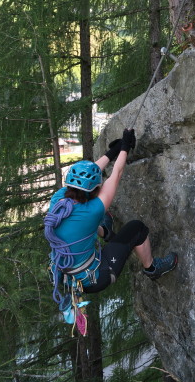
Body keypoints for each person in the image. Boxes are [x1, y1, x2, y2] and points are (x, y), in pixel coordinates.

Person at [44, 129, 177, 326]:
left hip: (66, 275)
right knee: (137, 228)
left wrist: (112, 153)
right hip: (95, 278)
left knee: (91, 223)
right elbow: (117, 174)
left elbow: (87, 176)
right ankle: (152, 268)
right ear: (94, 189)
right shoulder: (93, 210)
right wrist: (125, 147)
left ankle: (105, 232)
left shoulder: (59, 199)